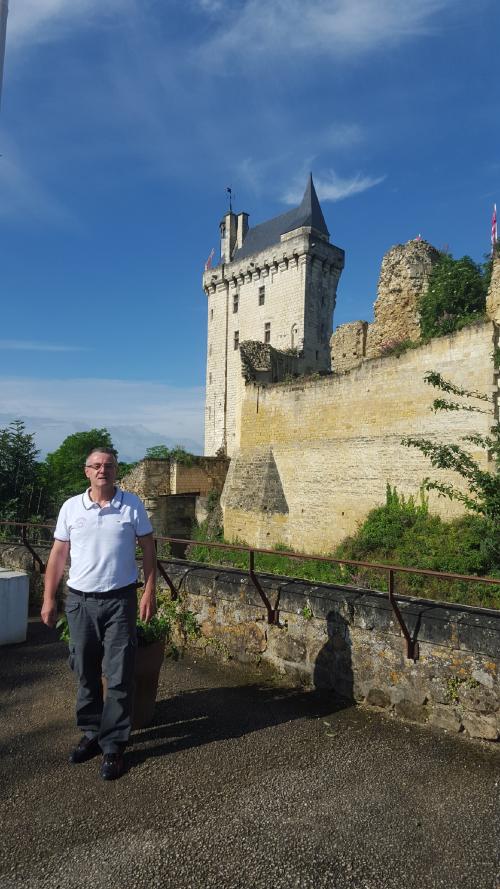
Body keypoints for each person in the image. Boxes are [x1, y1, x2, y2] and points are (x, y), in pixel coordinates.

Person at [41, 447, 157, 780]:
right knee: (84, 669)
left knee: (119, 674)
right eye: (96, 465)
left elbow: (149, 547)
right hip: (80, 603)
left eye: (108, 465)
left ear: (116, 470)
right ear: (87, 472)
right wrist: (49, 598)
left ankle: (114, 746)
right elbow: (58, 554)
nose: (102, 469)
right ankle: (91, 732)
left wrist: (149, 591)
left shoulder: (131, 505)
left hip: (120, 601)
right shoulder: (71, 507)